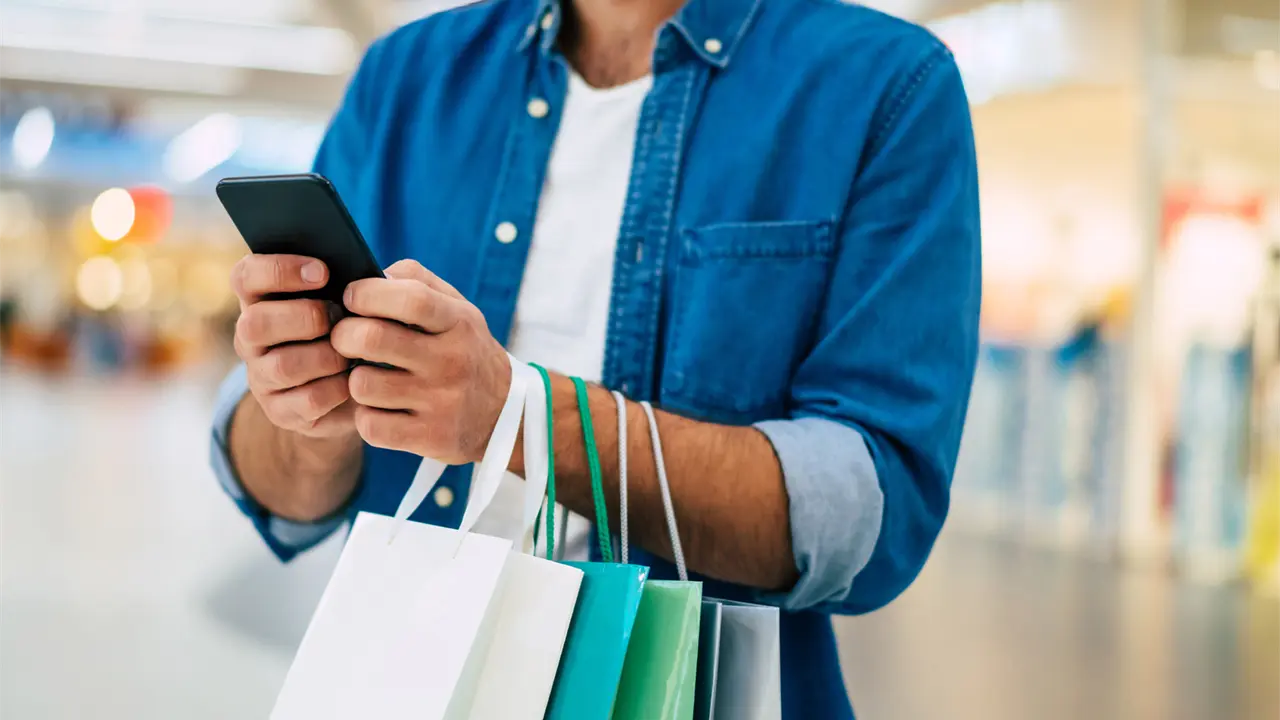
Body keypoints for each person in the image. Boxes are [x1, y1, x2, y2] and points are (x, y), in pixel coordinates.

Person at [209, 0, 981, 715]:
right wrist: (312, 404)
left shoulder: (884, 85)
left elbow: (870, 516)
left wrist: (517, 414)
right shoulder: (403, 77)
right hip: (400, 686)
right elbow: (274, 485)